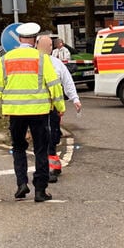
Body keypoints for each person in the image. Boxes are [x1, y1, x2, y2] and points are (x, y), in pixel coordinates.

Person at [0, 22, 65, 202]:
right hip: (39, 112)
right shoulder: (42, 59)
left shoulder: (6, 59)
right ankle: (40, 190)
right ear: (35, 40)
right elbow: (54, 86)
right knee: (40, 149)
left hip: (15, 113)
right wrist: (60, 107)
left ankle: (22, 183)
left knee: (19, 148)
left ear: (19, 39)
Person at [38, 34, 82, 183]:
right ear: (37, 46)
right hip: (37, 108)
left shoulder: (57, 63)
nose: (48, 48)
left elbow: (67, 81)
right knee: (45, 137)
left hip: (54, 108)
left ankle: (54, 166)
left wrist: (75, 98)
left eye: (50, 45)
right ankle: (49, 169)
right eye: (45, 45)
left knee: (53, 136)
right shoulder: (33, 63)